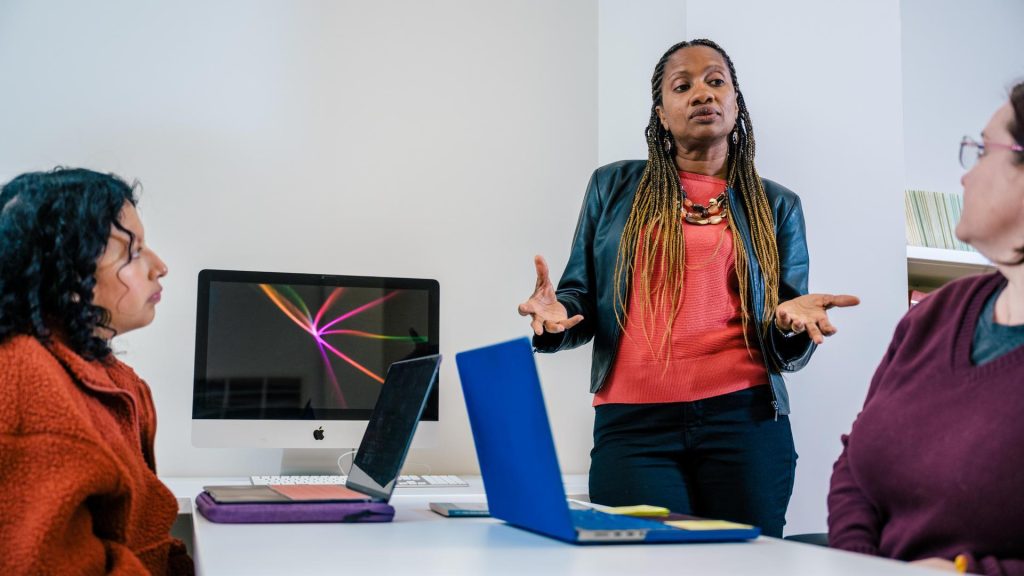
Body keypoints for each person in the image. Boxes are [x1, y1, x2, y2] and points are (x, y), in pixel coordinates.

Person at [518, 38, 858, 537]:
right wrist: (554, 317)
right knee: (644, 566)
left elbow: (788, 322)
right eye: (683, 86)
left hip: (745, 423)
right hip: (633, 427)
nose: (703, 93)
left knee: (745, 568)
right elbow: (580, 302)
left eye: (716, 81)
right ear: (661, 113)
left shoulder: (777, 205)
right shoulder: (613, 187)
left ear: (736, 102)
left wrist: (792, 327)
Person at [828, 82, 1024, 575]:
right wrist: (862, 566)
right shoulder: (934, 315)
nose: (965, 176)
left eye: (983, 150)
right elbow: (855, 464)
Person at [0, 168, 192, 574]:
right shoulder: (23, 382)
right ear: (68, 274)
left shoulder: (109, 373)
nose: (160, 267)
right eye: (132, 252)